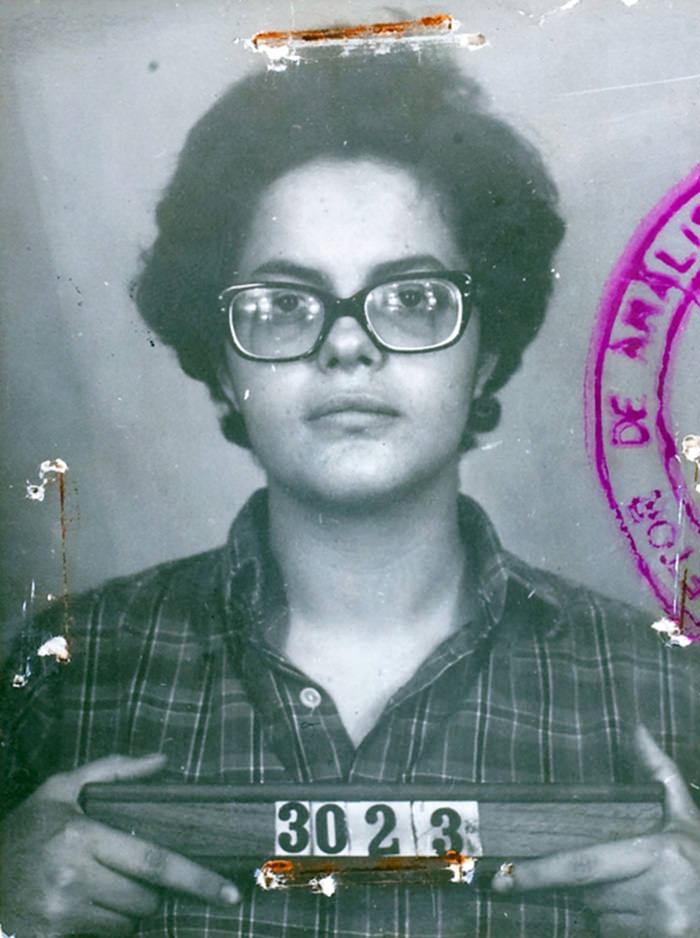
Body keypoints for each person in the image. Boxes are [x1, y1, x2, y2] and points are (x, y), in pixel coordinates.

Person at [2, 47, 700, 938]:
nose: (348, 347)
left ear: (486, 349)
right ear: (221, 367)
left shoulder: (670, 689)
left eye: (411, 297)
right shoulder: (62, 677)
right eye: (283, 304)